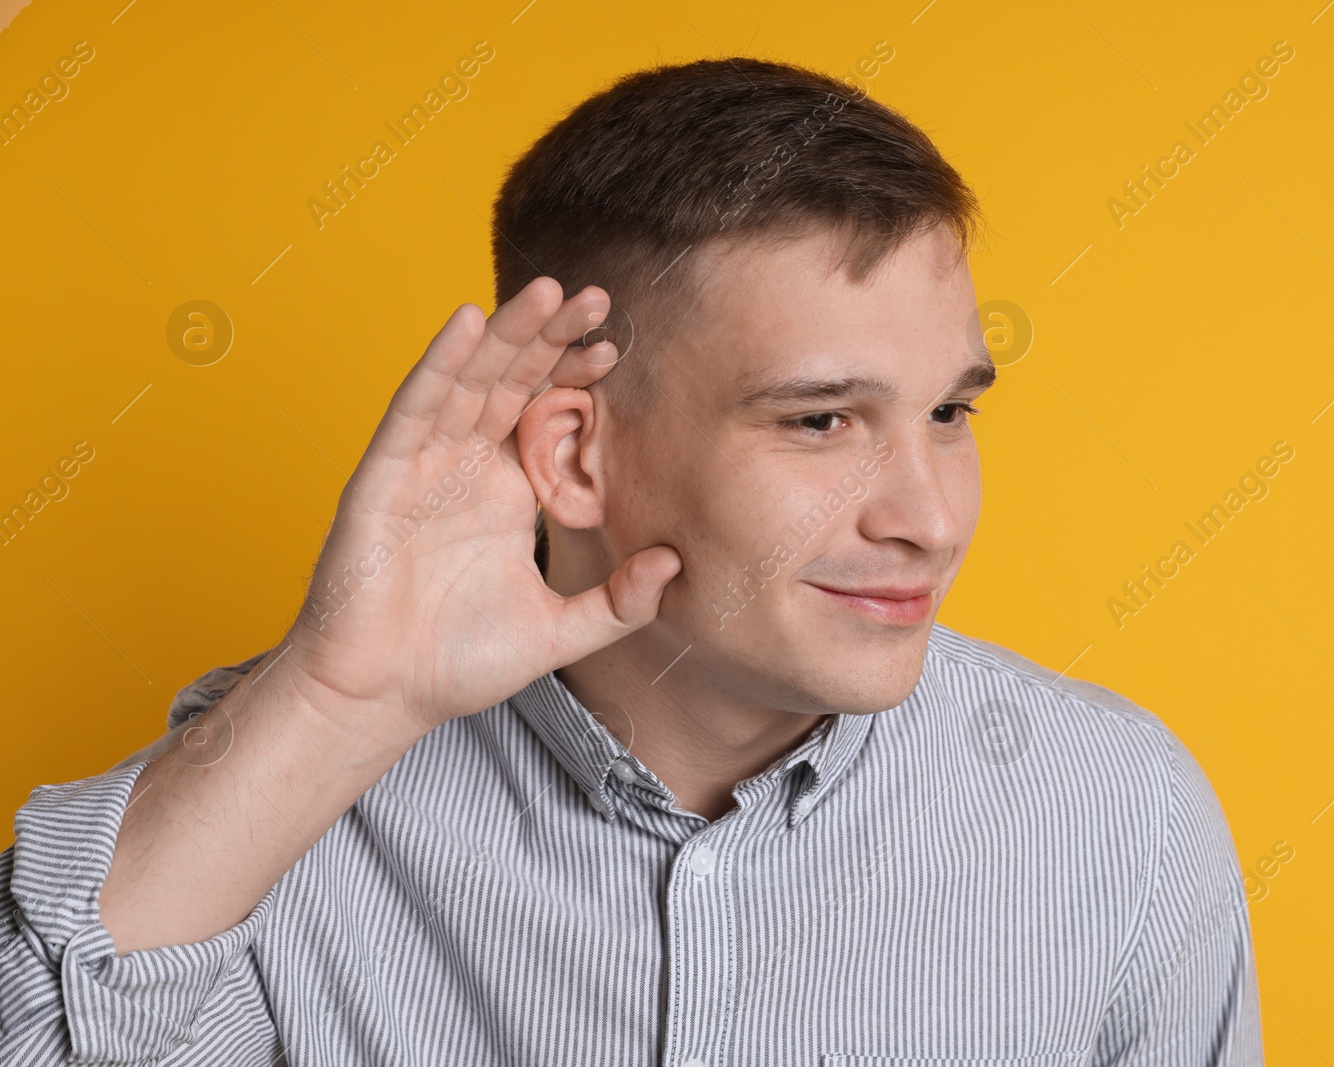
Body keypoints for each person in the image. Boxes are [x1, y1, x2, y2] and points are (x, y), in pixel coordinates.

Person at [0, 57, 1263, 1066]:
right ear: (576, 452)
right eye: (821, 419)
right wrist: (338, 704)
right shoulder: (284, 788)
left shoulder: (1117, 814)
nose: (930, 518)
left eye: (948, 413)